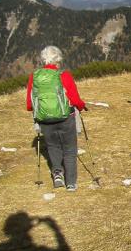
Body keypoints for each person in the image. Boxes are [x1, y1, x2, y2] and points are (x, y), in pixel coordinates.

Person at [26, 45, 86, 191]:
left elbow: (29, 104)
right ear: (58, 59)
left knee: (53, 146)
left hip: (45, 119)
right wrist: (81, 106)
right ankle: (70, 183)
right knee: (70, 149)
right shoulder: (64, 75)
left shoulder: (35, 76)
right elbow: (75, 99)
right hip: (66, 118)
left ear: (44, 59)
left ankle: (57, 174)